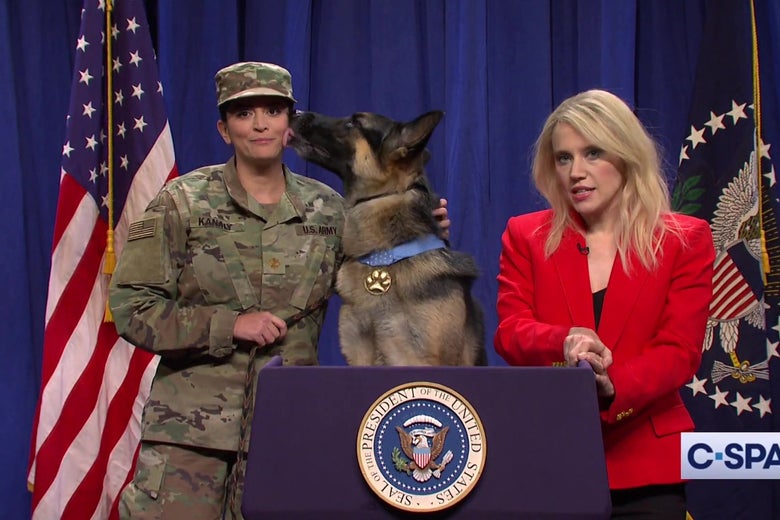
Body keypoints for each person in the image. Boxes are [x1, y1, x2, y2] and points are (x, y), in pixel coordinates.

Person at [108, 61, 450, 519]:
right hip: (190, 439)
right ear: (224, 129)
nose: (261, 124)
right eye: (244, 113)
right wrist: (229, 325)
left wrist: (412, 234)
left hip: (287, 432)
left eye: (273, 110)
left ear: (290, 124)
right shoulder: (181, 201)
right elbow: (132, 307)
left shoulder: (330, 210)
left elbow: (375, 286)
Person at [494, 89, 715, 518]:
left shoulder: (684, 239)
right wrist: (563, 341)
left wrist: (612, 384)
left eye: (592, 153)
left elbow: (679, 351)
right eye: (563, 158)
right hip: (549, 458)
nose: (576, 172)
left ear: (626, 154)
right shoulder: (525, 235)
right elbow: (511, 330)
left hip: (647, 464)